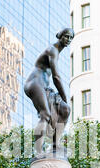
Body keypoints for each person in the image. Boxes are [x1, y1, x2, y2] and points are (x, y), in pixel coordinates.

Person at [24, 27, 74, 156]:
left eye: (70, 37)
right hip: (35, 83)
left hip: (44, 87)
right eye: (66, 36)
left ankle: (55, 144)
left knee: (65, 110)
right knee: (45, 115)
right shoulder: (53, 50)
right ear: (60, 36)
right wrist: (64, 97)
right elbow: (56, 77)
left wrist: (64, 102)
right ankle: (39, 152)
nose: (68, 39)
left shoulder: (56, 51)